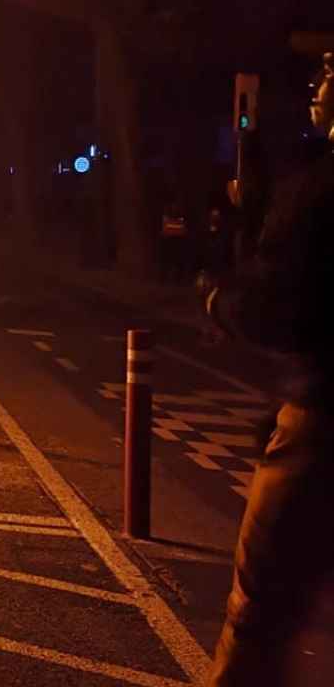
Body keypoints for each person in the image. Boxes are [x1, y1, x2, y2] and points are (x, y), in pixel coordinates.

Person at [197, 54, 334, 685]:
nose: (318, 87)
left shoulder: (321, 190)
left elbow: (274, 305)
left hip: (324, 424)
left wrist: (222, 300)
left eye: (329, 74)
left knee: (258, 614)